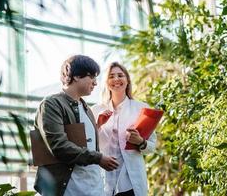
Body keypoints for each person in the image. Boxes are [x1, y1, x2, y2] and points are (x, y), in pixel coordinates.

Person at [33, 55, 119, 196]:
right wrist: (99, 158)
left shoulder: (87, 109)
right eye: (92, 77)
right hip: (67, 189)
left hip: (93, 188)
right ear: (77, 76)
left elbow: (84, 144)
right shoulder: (51, 104)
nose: (95, 83)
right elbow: (59, 146)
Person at [91, 62, 157, 196]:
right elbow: (87, 144)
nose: (116, 79)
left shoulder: (141, 109)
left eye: (120, 75)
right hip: (103, 179)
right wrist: (97, 126)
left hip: (130, 181)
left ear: (127, 81)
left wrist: (140, 141)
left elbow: (151, 147)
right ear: (106, 82)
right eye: (111, 76)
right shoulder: (95, 110)